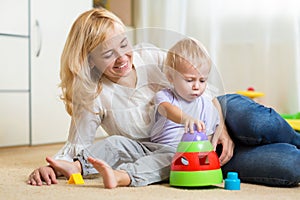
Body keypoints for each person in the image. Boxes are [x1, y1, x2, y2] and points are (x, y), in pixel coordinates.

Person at [27, 8, 300, 188]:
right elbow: (79, 145)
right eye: (108, 54)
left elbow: (209, 91)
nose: (122, 57)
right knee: (290, 165)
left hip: (219, 111)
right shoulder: (94, 96)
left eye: (123, 44)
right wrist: (55, 168)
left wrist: (223, 130)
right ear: (90, 61)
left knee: (256, 123)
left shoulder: (153, 58)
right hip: (189, 151)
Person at [150, 38, 220, 147]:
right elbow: (167, 110)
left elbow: (208, 140)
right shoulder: (165, 96)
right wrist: (186, 119)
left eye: (202, 80)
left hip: (190, 156)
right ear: (170, 77)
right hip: (162, 149)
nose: (196, 86)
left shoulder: (207, 107)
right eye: (189, 80)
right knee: (117, 142)